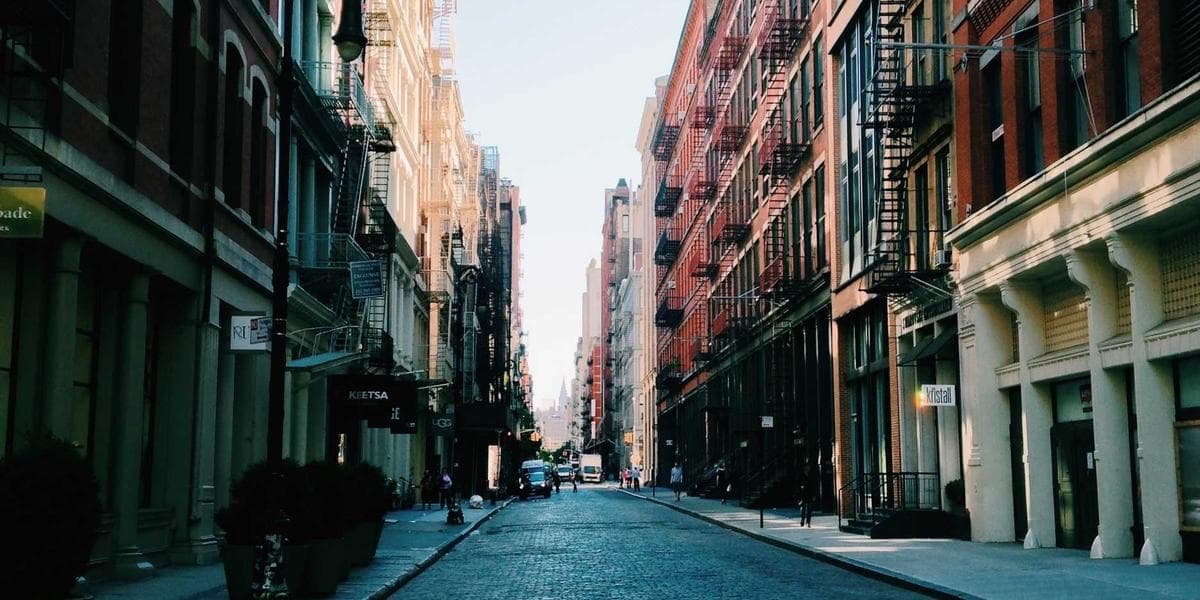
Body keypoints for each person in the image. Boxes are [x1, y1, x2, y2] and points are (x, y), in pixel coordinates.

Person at [798, 463, 815, 527]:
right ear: (804, 468)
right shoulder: (801, 475)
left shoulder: (811, 475)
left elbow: (813, 486)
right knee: (803, 509)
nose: (808, 468)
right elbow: (798, 485)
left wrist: (813, 495)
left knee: (809, 509)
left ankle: (808, 522)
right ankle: (802, 519)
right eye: (807, 467)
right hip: (803, 494)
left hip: (810, 494)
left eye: (809, 467)